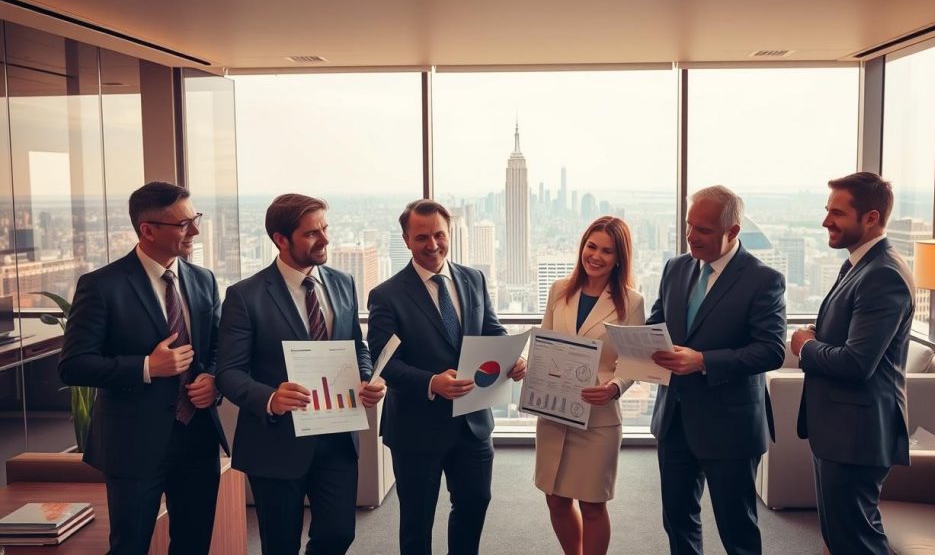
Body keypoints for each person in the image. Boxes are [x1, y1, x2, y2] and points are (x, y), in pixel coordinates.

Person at [59, 181, 228, 555]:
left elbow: (218, 346)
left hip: (198, 437)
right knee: (129, 546)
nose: (195, 230)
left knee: (193, 544)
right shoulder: (101, 286)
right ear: (147, 229)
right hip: (133, 443)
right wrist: (147, 367)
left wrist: (212, 379)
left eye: (195, 218)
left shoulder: (204, 280)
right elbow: (73, 366)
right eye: (184, 224)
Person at [216, 194, 385, 555]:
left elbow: (356, 345)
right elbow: (228, 372)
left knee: (339, 534)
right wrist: (271, 398)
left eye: (325, 228)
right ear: (281, 239)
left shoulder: (342, 283)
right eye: (312, 233)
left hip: (337, 437)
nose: (324, 239)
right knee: (280, 544)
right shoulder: (245, 296)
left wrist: (367, 377)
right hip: (276, 442)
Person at [367, 198, 526, 555]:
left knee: (474, 506)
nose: (433, 245)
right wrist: (430, 382)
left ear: (450, 232)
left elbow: (492, 330)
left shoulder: (473, 278)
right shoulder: (386, 295)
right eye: (422, 237)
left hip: (472, 422)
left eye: (439, 235)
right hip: (415, 428)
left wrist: (512, 359)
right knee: (417, 523)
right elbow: (383, 361)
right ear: (406, 239)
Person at [648, 185, 786, 555]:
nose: (692, 236)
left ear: (733, 231)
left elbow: (771, 351)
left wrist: (704, 361)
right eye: (690, 226)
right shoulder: (675, 268)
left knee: (737, 530)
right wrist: (640, 343)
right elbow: (658, 322)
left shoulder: (764, 280)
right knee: (678, 521)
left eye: (704, 230)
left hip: (731, 428)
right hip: (675, 420)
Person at [790, 172, 913, 555]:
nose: (826, 220)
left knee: (857, 542)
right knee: (840, 538)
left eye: (837, 213)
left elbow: (857, 362)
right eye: (828, 210)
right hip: (840, 431)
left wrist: (805, 346)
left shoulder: (883, 275)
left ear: (871, 218)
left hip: (857, 435)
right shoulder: (859, 264)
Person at [535, 216, 645, 555]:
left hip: (598, 417)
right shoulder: (559, 290)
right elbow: (545, 344)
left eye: (607, 251)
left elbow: (634, 363)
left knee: (593, 505)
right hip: (555, 412)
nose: (595, 256)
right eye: (591, 246)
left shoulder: (632, 301)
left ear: (619, 258)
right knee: (555, 498)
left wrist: (614, 387)